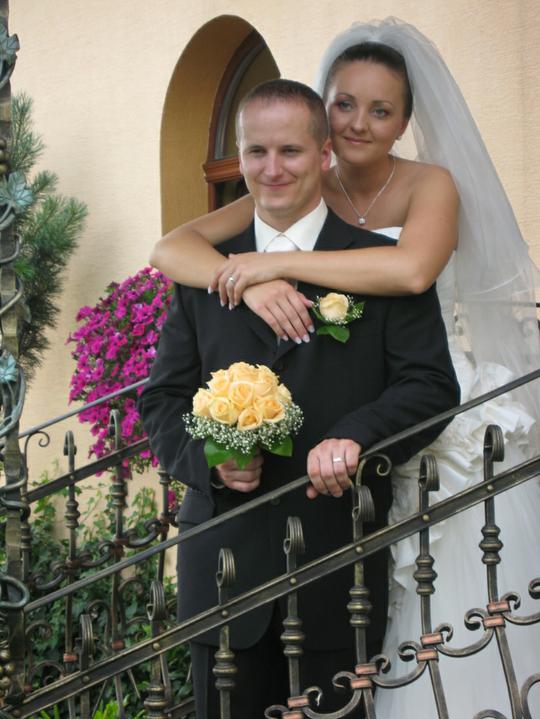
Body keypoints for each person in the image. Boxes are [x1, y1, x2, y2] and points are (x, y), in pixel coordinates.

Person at [149, 19, 540, 717]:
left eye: (290, 151)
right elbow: (162, 400)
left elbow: (430, 382)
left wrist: (357, 436)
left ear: (321, 153)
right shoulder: (211, 271)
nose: (273, 167)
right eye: (257, 151)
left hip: (339, 571)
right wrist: (209, 461)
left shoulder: (384, 257)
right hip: (224, 580)